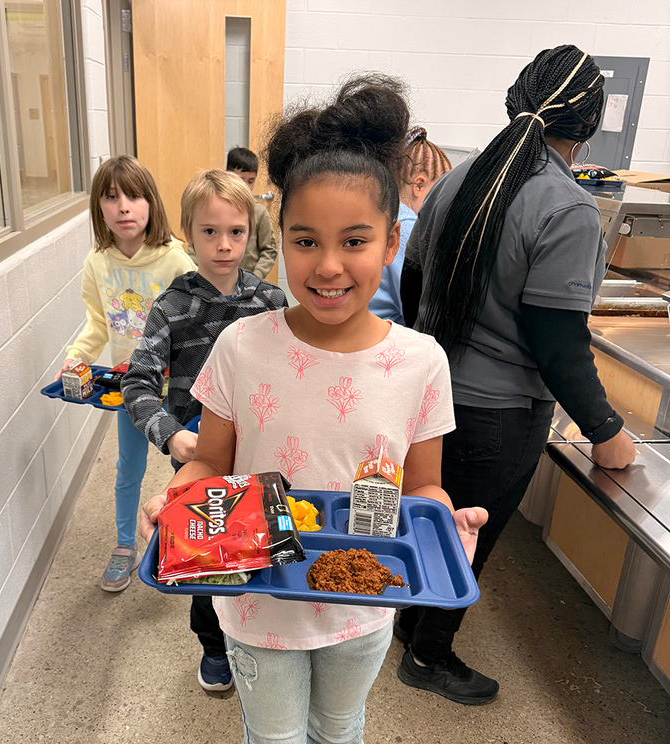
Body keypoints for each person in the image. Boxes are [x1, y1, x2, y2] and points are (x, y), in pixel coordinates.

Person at [140, 74, 488, 744]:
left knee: (339, 727)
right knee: (272, 739)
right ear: (282, 242)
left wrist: (442, 518)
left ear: (392, 243)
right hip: (254, 597)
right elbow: (210, 460)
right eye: (306, 241)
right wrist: (175, 499)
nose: (328, 265)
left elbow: (422, 484)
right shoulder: (242, 347)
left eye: (355, 241)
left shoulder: (421, 362)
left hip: (364, 600)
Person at [397, 45, 637, 705]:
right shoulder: (566, 207)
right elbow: (557, 340)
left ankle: (407, 621)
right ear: (588, 125)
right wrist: (606, 428)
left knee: (424, 513)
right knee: (467, 534)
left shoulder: (459, 176)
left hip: (425, 395)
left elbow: (414, 277)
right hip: (497, 417)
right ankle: (428, 655)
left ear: (515, 97)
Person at [120, 169, 287, 691]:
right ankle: (215, 647)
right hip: (198, 454)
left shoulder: (271, 302)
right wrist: (172, 435)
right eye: (209, 232)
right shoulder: (171, 307)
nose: (223, 244)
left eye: (236, 231)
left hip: (264, 453)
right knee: (206, 559)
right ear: (187, 234)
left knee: (271, 546)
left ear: (251, 231)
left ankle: (270, 636)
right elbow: (137, 384)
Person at [54, 155, 196, 592]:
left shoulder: (176, 261)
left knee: (191, 467)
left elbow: (198, 327)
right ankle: (123, 546)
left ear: (151, 202)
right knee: (127, 468)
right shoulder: (97, 263)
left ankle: (185, 541)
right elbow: (99, 322)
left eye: (134, 196)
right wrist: (76, 354)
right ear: (99, 208)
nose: (123, 207)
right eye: (111, 197)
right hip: (132, 387)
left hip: (182, 390)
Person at [369, 127, 451, 325]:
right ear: (419, 185)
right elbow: (420, 307)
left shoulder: (380, 218)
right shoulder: (408, 228)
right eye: (440, 189)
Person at [226, 146, 278, 280]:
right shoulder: (215, 209)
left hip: (247, 284)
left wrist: (255, 277)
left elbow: (269, 250)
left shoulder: (259, 213)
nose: (246, 187)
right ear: (228, 176)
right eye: (241, 179)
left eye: (251, 181)